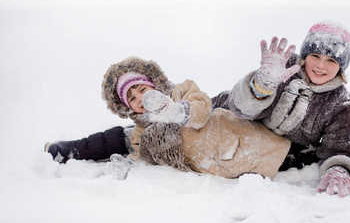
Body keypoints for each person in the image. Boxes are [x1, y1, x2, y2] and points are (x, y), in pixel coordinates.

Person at [48, 56, 292, 180]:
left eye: (142, 89)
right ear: (129, 108)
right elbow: (141, 153)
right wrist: (129, 165)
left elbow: (201, 110)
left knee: (291, 155)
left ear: (155, 85)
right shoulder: (141, 130)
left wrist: (176, 111)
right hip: (229, 165)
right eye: (132, 98)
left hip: (247, 141)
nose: (140, 98)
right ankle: (71, 151)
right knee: (121, 137)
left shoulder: (181, 91)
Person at [212, 20, 350, 197]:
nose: (320, 66)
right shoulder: (282, 68)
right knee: (206, 119)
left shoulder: (339, 101)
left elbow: (338, 146)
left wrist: (339, 168)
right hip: (235, 117)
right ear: (305, 56)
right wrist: (260, 87)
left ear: (341, 67)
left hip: (279, 147)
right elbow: (240, 109)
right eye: (315, 56)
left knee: (303, 157)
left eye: (331, 60)